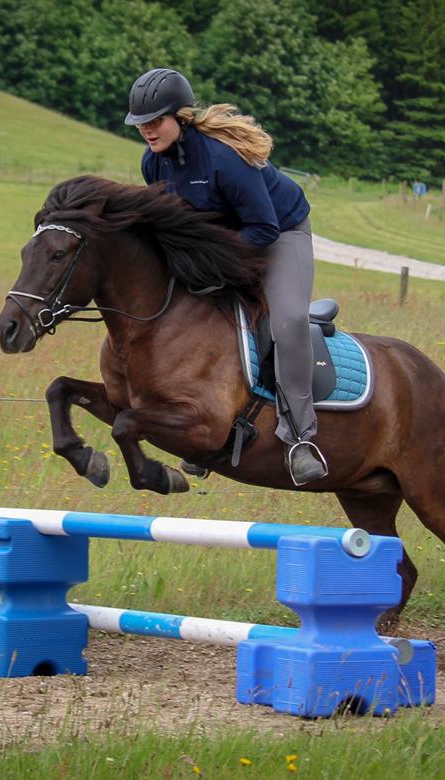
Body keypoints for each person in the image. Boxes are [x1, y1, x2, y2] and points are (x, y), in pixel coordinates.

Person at [124, 67, 327, 486]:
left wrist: (209, 258)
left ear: (179, 117)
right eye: (140, 124)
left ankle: (302, 438)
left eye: (154, 121)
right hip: (227, 244)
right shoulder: (153, 163)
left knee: (287, 321)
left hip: (279, 235)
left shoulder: (223, 159)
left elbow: (264, 229)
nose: (146, 130)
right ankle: (202, 428)